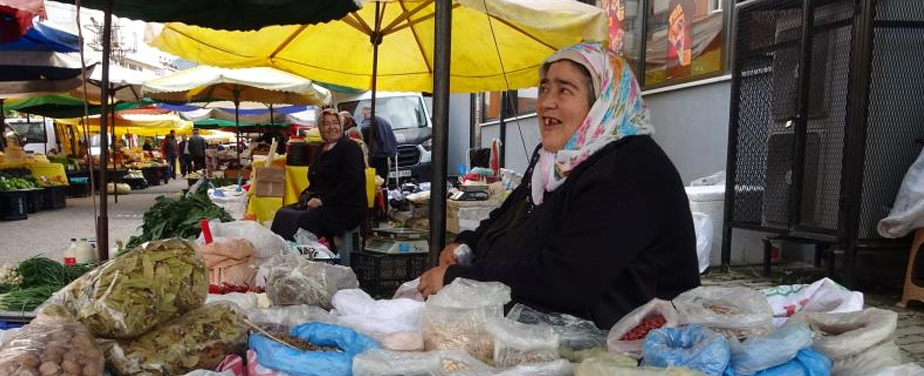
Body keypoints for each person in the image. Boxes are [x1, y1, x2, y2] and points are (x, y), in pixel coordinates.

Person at [417, 42, 700, 329]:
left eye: (564, 90)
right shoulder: (556, 162)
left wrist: (460, 280)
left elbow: (569, 279)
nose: (545, 102)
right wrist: (468, 244)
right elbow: (509, 216)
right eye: (543, 88)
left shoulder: (630, 168)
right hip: (556, 333)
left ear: (603, 102)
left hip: (630, 351)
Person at [271, 108, 367, 243]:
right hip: (324, 202)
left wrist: (323, 201)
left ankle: (304, 257)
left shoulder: (350, 147)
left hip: (346, 206)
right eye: (326, 123)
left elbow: (352, 182)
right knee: (283, 213)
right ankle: (284, 255)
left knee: (303, 219)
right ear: (321, 127)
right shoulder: (320, 149)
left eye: (335, 122)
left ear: (341, 125)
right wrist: (306, 197)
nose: (332, 127)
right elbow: (315, 181)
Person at [359, 105, 397, 182]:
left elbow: (365, 129)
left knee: (375, 182)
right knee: (383, 181)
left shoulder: (370, 118)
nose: (362, 116)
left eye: (363, 114)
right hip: (384, 154)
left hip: (375, 155)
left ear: (365, 112)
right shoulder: (384, 120)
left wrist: (365, 141)